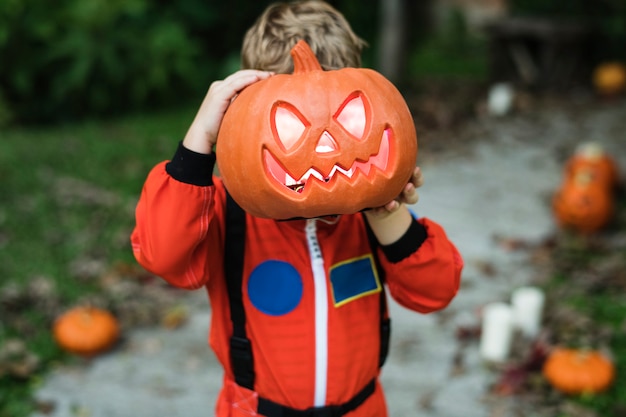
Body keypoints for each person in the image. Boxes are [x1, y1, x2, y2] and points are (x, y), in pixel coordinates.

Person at [131, 1, 463, 416]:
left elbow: (435, 291)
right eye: (290, 121)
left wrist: (388, 213)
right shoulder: (226, 212)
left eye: (349, 117)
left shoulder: (369, 216)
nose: (326, 150)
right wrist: (198, 142)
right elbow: (163, 254)